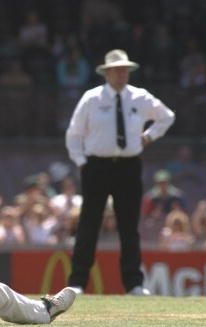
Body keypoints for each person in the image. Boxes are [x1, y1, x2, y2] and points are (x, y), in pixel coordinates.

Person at [65, 49, 175, 296]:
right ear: (107, 73)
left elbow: (167, 117)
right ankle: (78, 282)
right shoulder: (92, 99)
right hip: (96, 165)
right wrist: (82, 162)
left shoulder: (140, 97)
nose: (121, 74)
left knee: (128, 225)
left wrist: (149, 136)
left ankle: (134, 283)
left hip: (128, 165)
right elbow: (74, 134)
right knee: (89, 224)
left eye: (125, 69)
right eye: (116, 70)